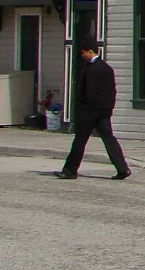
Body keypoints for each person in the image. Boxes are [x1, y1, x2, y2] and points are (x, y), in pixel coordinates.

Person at [54, 44, 131, 180]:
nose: (82, 56)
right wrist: (109, 107)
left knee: (80, 140)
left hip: (90, 111)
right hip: (104, 110)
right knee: (109, 139)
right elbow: (112, 91)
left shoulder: (91, 69)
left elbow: (89, 91)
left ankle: (70, 170)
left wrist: (83, 108)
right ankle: (122, 168)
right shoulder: (107, 68)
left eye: (83, 53)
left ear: (90, 51)